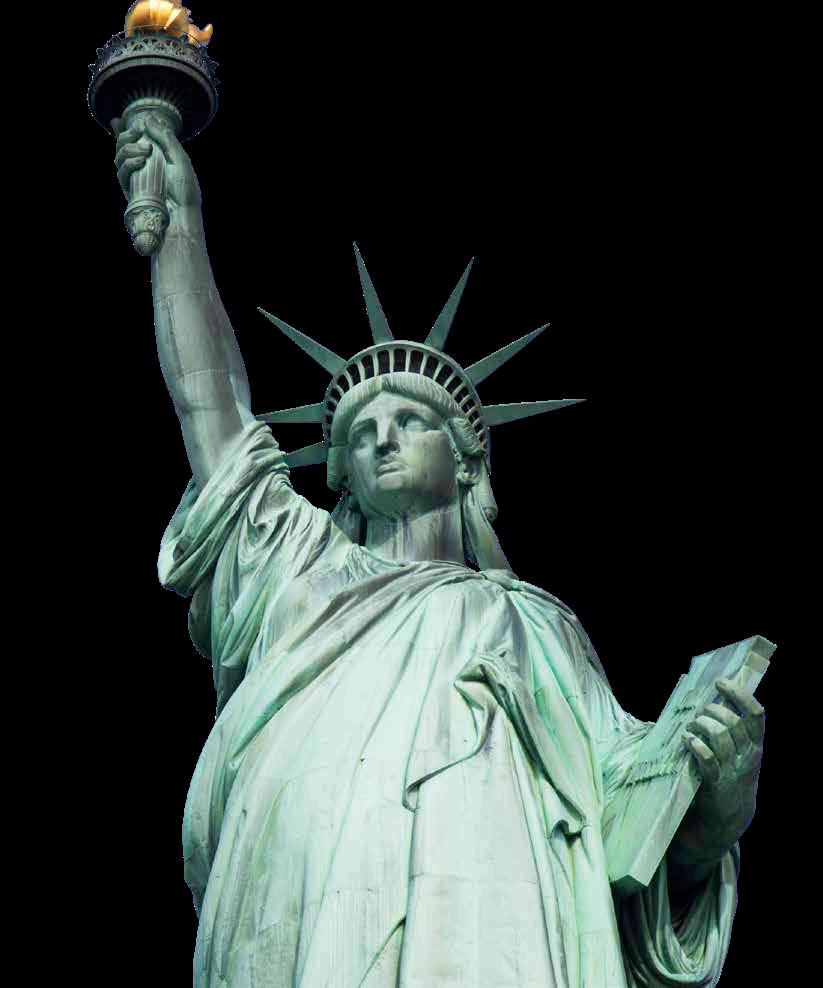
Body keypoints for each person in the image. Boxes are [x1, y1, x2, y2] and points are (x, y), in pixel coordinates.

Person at [113, 111, 767, 987]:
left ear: (464, 460)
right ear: (342, 474)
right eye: (361, 433)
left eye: (409, 421)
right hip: (301, 894)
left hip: (491, 917)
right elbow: (212, 414)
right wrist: (182, 231)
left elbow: (618, 815)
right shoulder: (297, 568)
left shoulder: (535, 625)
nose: (382, 438)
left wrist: (713, 811)